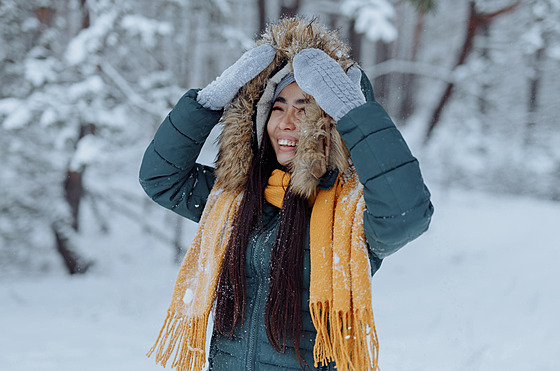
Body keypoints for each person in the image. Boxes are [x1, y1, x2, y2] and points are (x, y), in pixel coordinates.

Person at [140, 18, 433, 371]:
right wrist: (206, 104)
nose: (286, 123)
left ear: (330, 121)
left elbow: (407, 214)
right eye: (277, 107)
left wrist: (355, 113)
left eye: (305, 108)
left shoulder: (353, 216)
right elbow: (161, 178)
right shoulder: (237, 199)